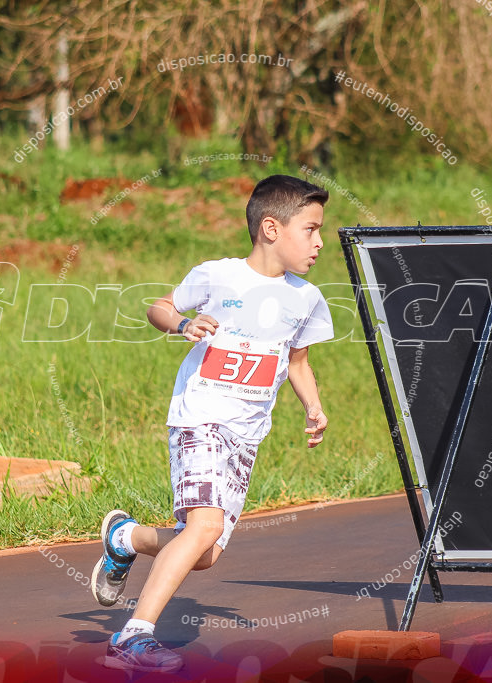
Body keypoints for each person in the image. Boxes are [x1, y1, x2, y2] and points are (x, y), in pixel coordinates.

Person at [90, 174, 333, 673]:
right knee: (204, 526)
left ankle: (125, 539)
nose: (319, 242)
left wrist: (313, 405)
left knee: (203, 552)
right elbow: (159, 306)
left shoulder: (305, 298)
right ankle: (133, 637)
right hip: (200, 416)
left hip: (247, 433)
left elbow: (297, 363)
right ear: (271, 228)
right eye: (310, 229)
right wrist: (183, 324)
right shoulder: (218, 276)